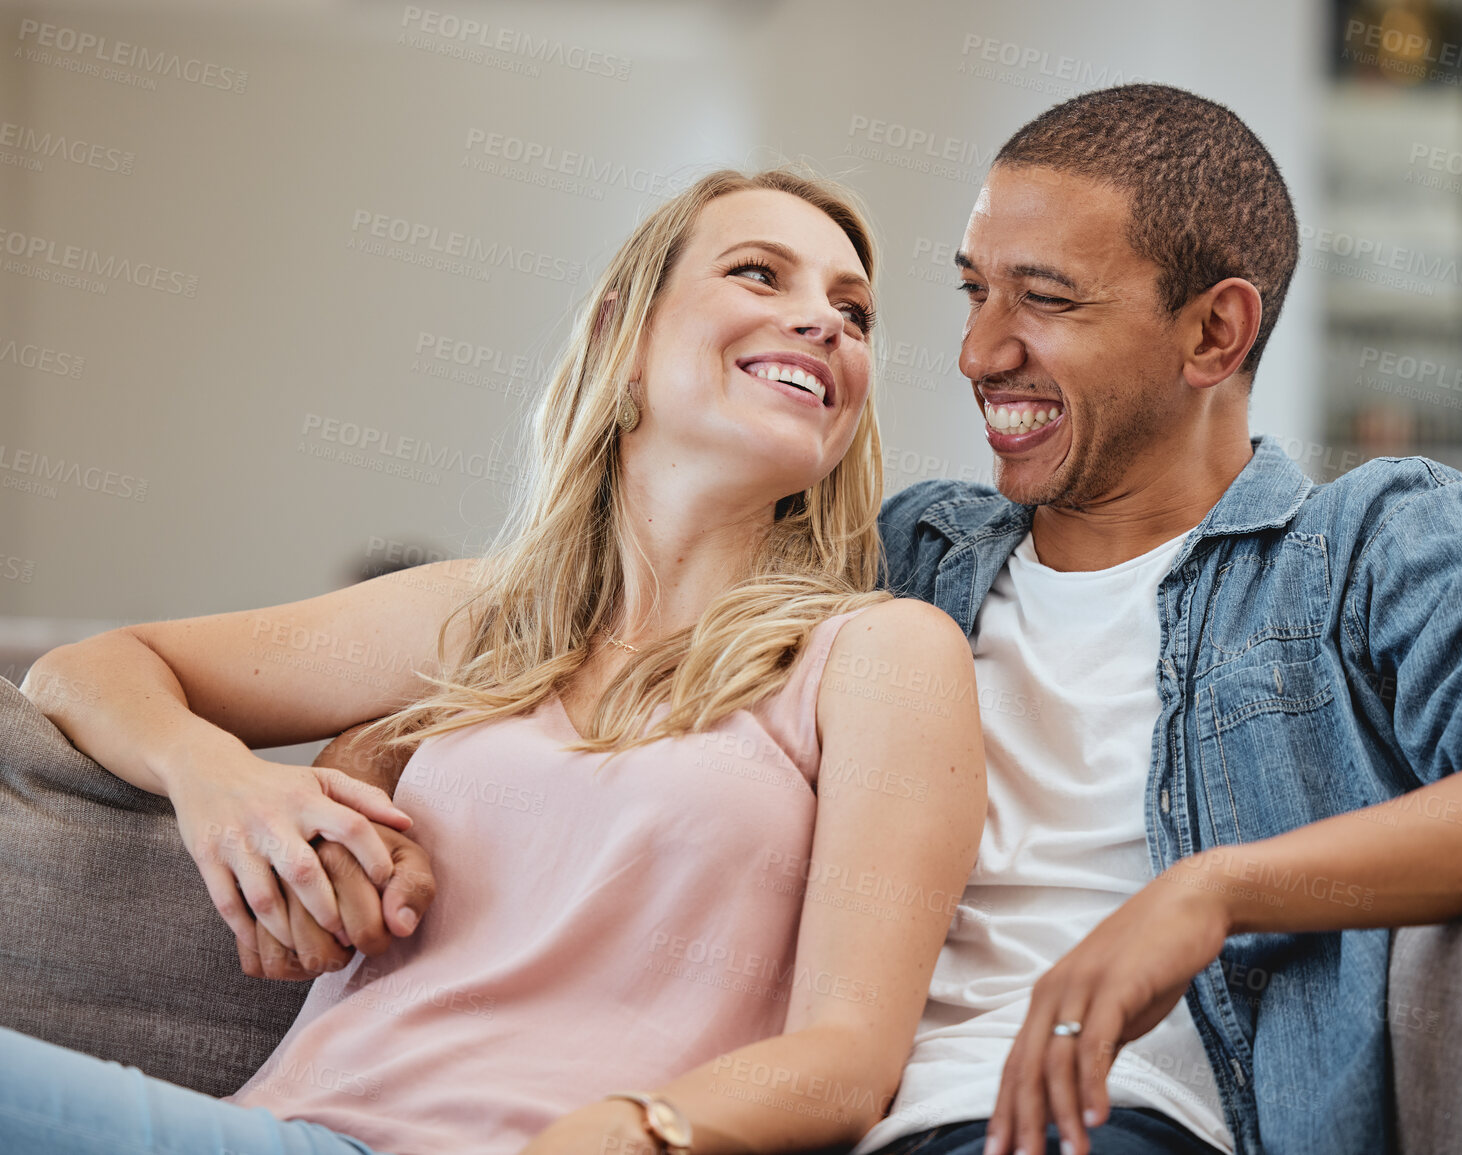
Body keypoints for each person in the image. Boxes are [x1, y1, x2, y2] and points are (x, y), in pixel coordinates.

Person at [8, 167, 987, 1155]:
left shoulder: (879, 653)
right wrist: (223, 784)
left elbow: (847, 1058)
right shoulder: (481, 614)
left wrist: (639, 1129)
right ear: (622, 336)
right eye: (760, 274)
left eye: (853, 311)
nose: (824, 322)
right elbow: (87, 672)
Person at [847, 84, 1462, 1155]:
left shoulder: (1363, 548)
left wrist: (1217, 891)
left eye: (1048, 302)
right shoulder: (909, 553)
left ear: (1215, 331)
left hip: (1123, 1128)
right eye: (976, 292)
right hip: (851, 1120)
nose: (981, 352)